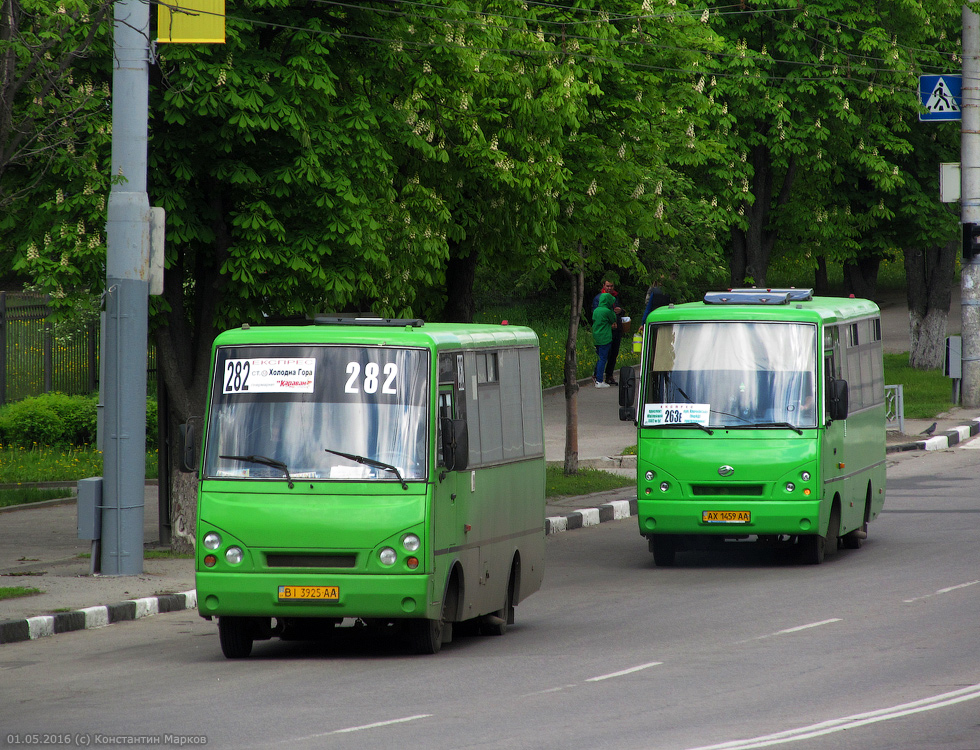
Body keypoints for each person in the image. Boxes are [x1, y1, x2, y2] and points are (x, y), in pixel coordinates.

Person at [591, 279, 625, 384]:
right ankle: (597, 376)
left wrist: (621, 311)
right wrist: (610, 319)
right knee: (604, 354)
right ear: (604, 286)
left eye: (611, 286)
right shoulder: (599, 298)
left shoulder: (615, 297)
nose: (609, 288)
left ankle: (609, 375)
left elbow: (619, 311)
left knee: (613, 353)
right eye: (607, 286)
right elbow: (597, 314)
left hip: (616, 329)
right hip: (605, 330)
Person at [591, 292, 617, 388]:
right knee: (603, 358)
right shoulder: (607, 311)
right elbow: (613, 319)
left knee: (599, 357)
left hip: (596, 336)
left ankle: (596, 375)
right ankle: (599, 380)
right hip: (605, 337)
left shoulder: (596, 310)